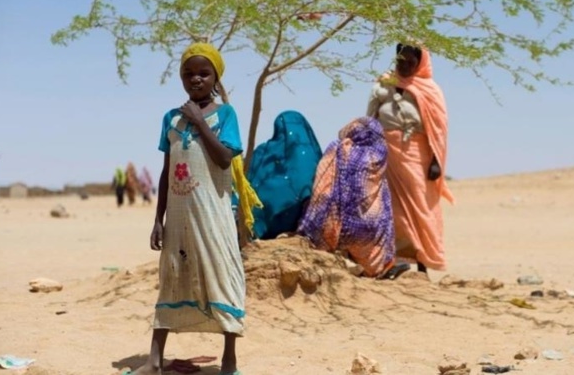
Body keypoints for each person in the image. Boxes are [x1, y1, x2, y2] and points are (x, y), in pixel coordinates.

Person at [129, 42, 246, 375]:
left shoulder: (226, 115)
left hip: (213, 212)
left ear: (215, 77)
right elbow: (167, 170)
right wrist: (158, 219)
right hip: (179, 215)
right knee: (172, 277)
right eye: (188, 73)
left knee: (222, 274)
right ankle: (154, 360)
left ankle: (229, 360)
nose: (196, 79)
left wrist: (200, 120)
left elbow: (225, 159)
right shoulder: (171, 117)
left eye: (203, 73)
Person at [367, 43, 454, 276]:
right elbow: (371, 116)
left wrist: (436, 161)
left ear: (420, 63)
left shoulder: (430, 90)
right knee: (390, 208)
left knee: (421, 207)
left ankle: (424, 263)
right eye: (400, 61)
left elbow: (438, 130)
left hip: (417, 156)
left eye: (409, 62)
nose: (403, 66)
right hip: (386, 154)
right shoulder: (384, 83)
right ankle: (392, 261)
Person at [298, 117, 396, 278]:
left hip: (337, 229)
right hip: (370, 232)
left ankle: (337, 255)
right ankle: (374, 267)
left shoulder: (340, 148)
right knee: (384, 198)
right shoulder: (379, 153)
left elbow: (321, 188)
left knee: (321, 208)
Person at [246, 111, 322, 240]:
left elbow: (248, 182)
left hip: (261, 225)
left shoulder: (261, 152)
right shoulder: (312, 155)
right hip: (302, 224)